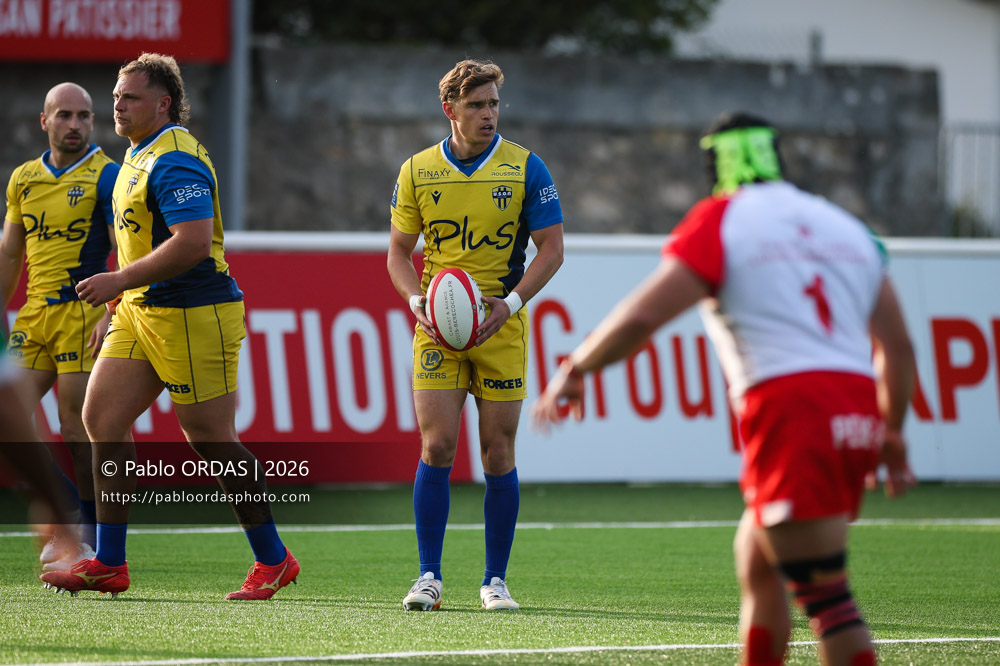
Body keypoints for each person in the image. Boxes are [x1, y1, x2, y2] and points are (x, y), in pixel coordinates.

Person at [533, 112, 917, 665]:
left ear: (715, 163)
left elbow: (642, 317)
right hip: (854, 406)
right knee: (757, 560)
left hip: (792, 409)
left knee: (825, 596)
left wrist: (575, 370)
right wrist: (893, 430)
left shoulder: (721, 220)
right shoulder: (843, 226)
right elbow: (898, 346)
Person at [40, 53, 298, 601]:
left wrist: (116, 281)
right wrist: (120, 301)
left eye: (129, 97)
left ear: (163, 104)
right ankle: (109, 561)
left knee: (210, 440)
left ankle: (273, 559)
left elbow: (192, 243)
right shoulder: (136, 153)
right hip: (141, 309)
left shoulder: (176, 158)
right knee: (100, 416)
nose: (117, 103)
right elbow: (144, 236)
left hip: (193, 313)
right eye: (116, 94)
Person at [387, 59, 564, 611]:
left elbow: (552, 251)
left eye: (493, 104)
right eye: (476, 106)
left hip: (501, 326)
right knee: (436, 445)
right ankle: (428, 577)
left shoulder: (526, 168)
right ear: (451, 111)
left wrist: (509, 303)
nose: (489, 114)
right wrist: (417, 300)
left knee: (497, 451)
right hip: (439, 329)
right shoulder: (417, 170)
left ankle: (495, 581)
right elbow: (397, 252)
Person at [1, 82, 120, 570]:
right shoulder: (24, 179)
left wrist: (113, 308)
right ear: (44, 121)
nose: (76, 125)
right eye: (66, 115)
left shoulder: (107, 176)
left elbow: (126, 248)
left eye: (85, 116)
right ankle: (67, 506)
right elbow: (11, 251)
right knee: (10, 422)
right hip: (34, 314)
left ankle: (86, 534)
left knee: (76, 426)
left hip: (82, 312)